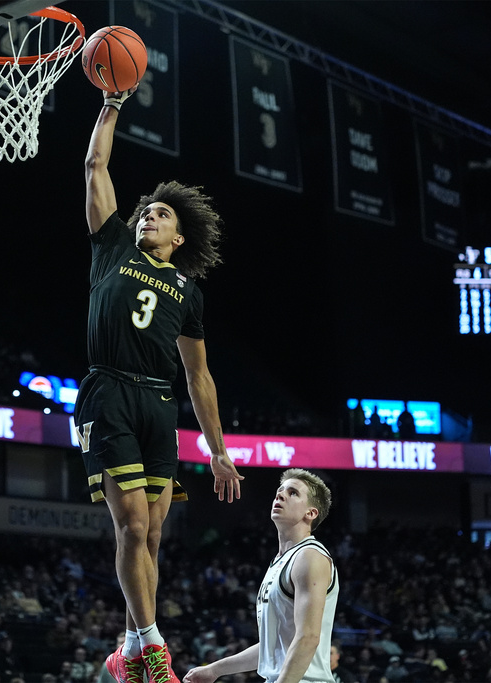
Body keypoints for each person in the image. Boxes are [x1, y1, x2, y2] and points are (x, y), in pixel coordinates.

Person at [80, 82, 244, 683]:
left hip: (158, 401)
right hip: (109, 391)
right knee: (132, 526)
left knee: (152, 541)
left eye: (160, 213)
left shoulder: (189, 292)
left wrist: (220, 453)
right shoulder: (112, 246)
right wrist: (112, 103)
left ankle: (125, 650)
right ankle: (152, 647)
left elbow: (199, 374)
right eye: (145, 209)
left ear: (179, 238)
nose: (148, 215)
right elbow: (96, 163)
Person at [182, 468, 338, 683]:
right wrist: (214, 670)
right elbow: (271, 648)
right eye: (280, 490)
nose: (280, 495)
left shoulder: (309, 556)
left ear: (310, 513)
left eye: (293, 493)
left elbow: (308, 637)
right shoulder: (280, 561)